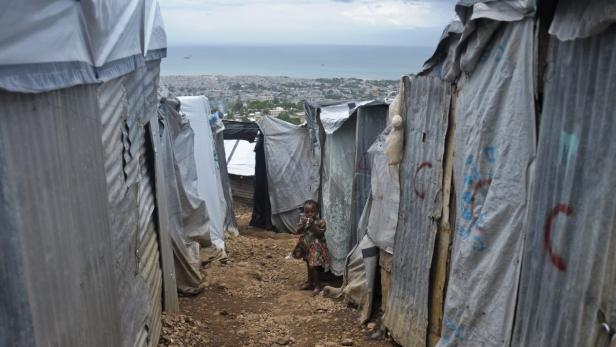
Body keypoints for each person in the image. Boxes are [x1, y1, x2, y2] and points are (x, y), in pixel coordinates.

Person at [292, 200, 331, 295]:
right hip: (306, 246)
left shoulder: (321, 222)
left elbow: (320, 233)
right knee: (308, 264)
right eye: (307, 212)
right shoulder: (303, 221)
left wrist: (312, 224)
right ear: (304, 212)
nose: (309, 214)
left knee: (314, 266)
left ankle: (317, 285)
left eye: (312, 211)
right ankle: (309, 282)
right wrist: (303, 224)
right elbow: (296, 231)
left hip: (316, 248)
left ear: (317, 211)